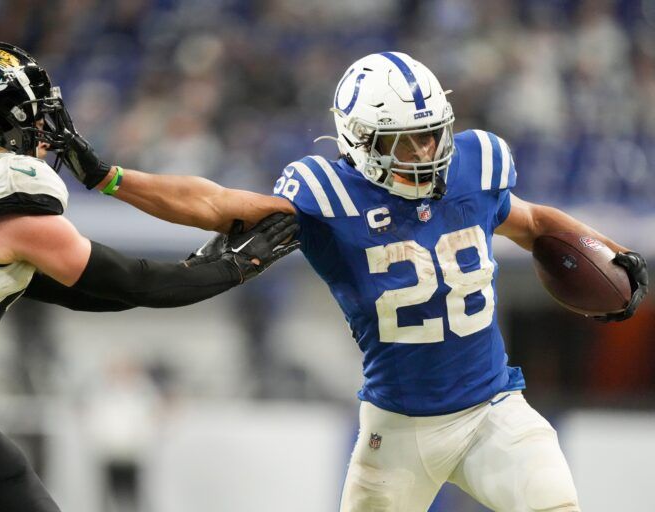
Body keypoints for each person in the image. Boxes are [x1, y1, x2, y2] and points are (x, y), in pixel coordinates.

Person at [65, 51, 649, 511]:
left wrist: (613, 254)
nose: (423, 152)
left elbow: (535, 222)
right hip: (395, 431)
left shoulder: (476, 165)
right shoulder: (324, 196)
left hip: (492, 410)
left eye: (430, 134)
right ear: (357, 139)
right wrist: (111, 177)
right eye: (402, 141)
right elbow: (213, 203)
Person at [0, 41, 298, 512]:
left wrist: (204, 267)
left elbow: (88, 292)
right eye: (31, 113)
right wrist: (235, 267)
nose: (42, 128)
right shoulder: (8, 197)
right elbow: (131, 283)